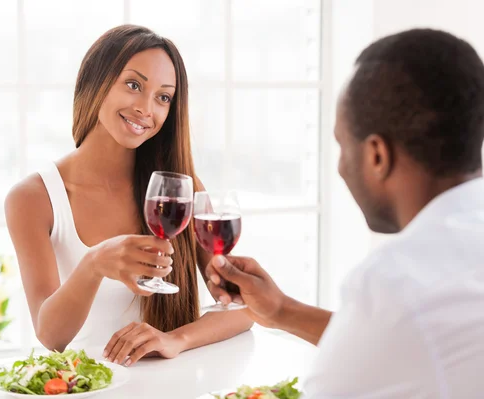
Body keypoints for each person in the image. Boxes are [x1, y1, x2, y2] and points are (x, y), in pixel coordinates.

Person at [206, 28, 484, 397]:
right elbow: (406, 342)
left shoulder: (396, 280)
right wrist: (282, 310)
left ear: (376, 156)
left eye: (341, 145)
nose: (340, 167)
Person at [5, 25, 252, 366]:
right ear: (96, 81)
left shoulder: (180, 192)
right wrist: (94, 264)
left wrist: (174, 339)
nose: (145, 108)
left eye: (163, 97)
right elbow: (51, 336)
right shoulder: (33, 198)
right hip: (86, 387)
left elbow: (245, 307)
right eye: (134, 85)